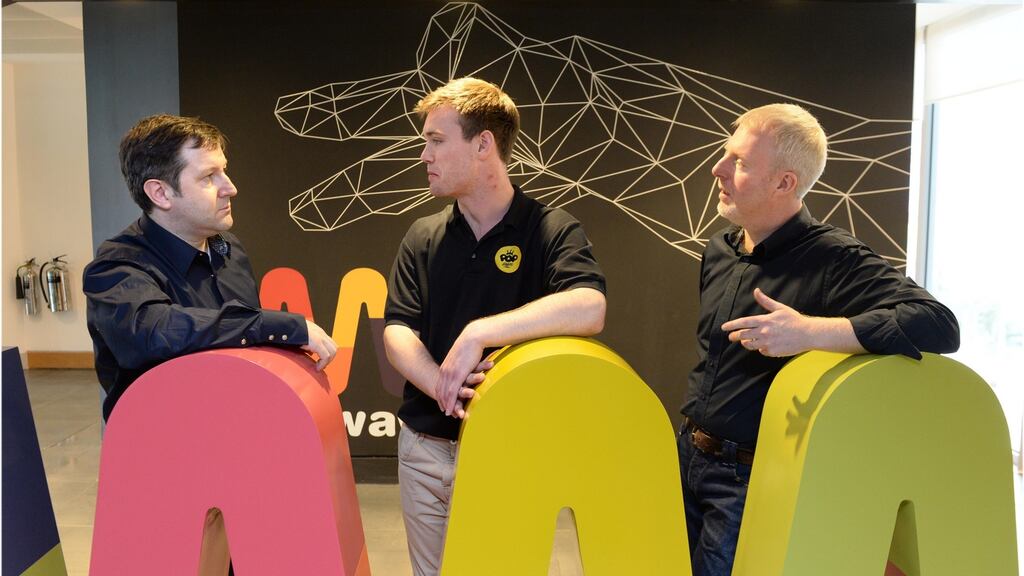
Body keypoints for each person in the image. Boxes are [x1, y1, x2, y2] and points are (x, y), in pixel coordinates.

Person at [678, 103, 960, 576]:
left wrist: (809, 332)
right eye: (727, 155)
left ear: (785, 183)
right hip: (686, 454)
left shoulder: (834, 258)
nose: (718, 170)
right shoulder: (719, 249)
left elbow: (938, 323)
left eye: (740, 162)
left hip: (747, 478)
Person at [83, 114, 338, 575]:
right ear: (160, 194)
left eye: (225, 170)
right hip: (165, 475)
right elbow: (151, 330)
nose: (230, 186)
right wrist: (272, 325)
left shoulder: (229, 249)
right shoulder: (116, 267)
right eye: (208, 176)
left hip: (242, 461)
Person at [383, 77, 607, 576]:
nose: (424, 155)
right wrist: (445, 386)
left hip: (510, 445)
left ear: (484, 144)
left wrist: (480, 332)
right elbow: (399, 329)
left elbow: (589, 306)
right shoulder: (423, 234)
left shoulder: (551, 228)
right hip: (424, 447)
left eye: (436, 141)